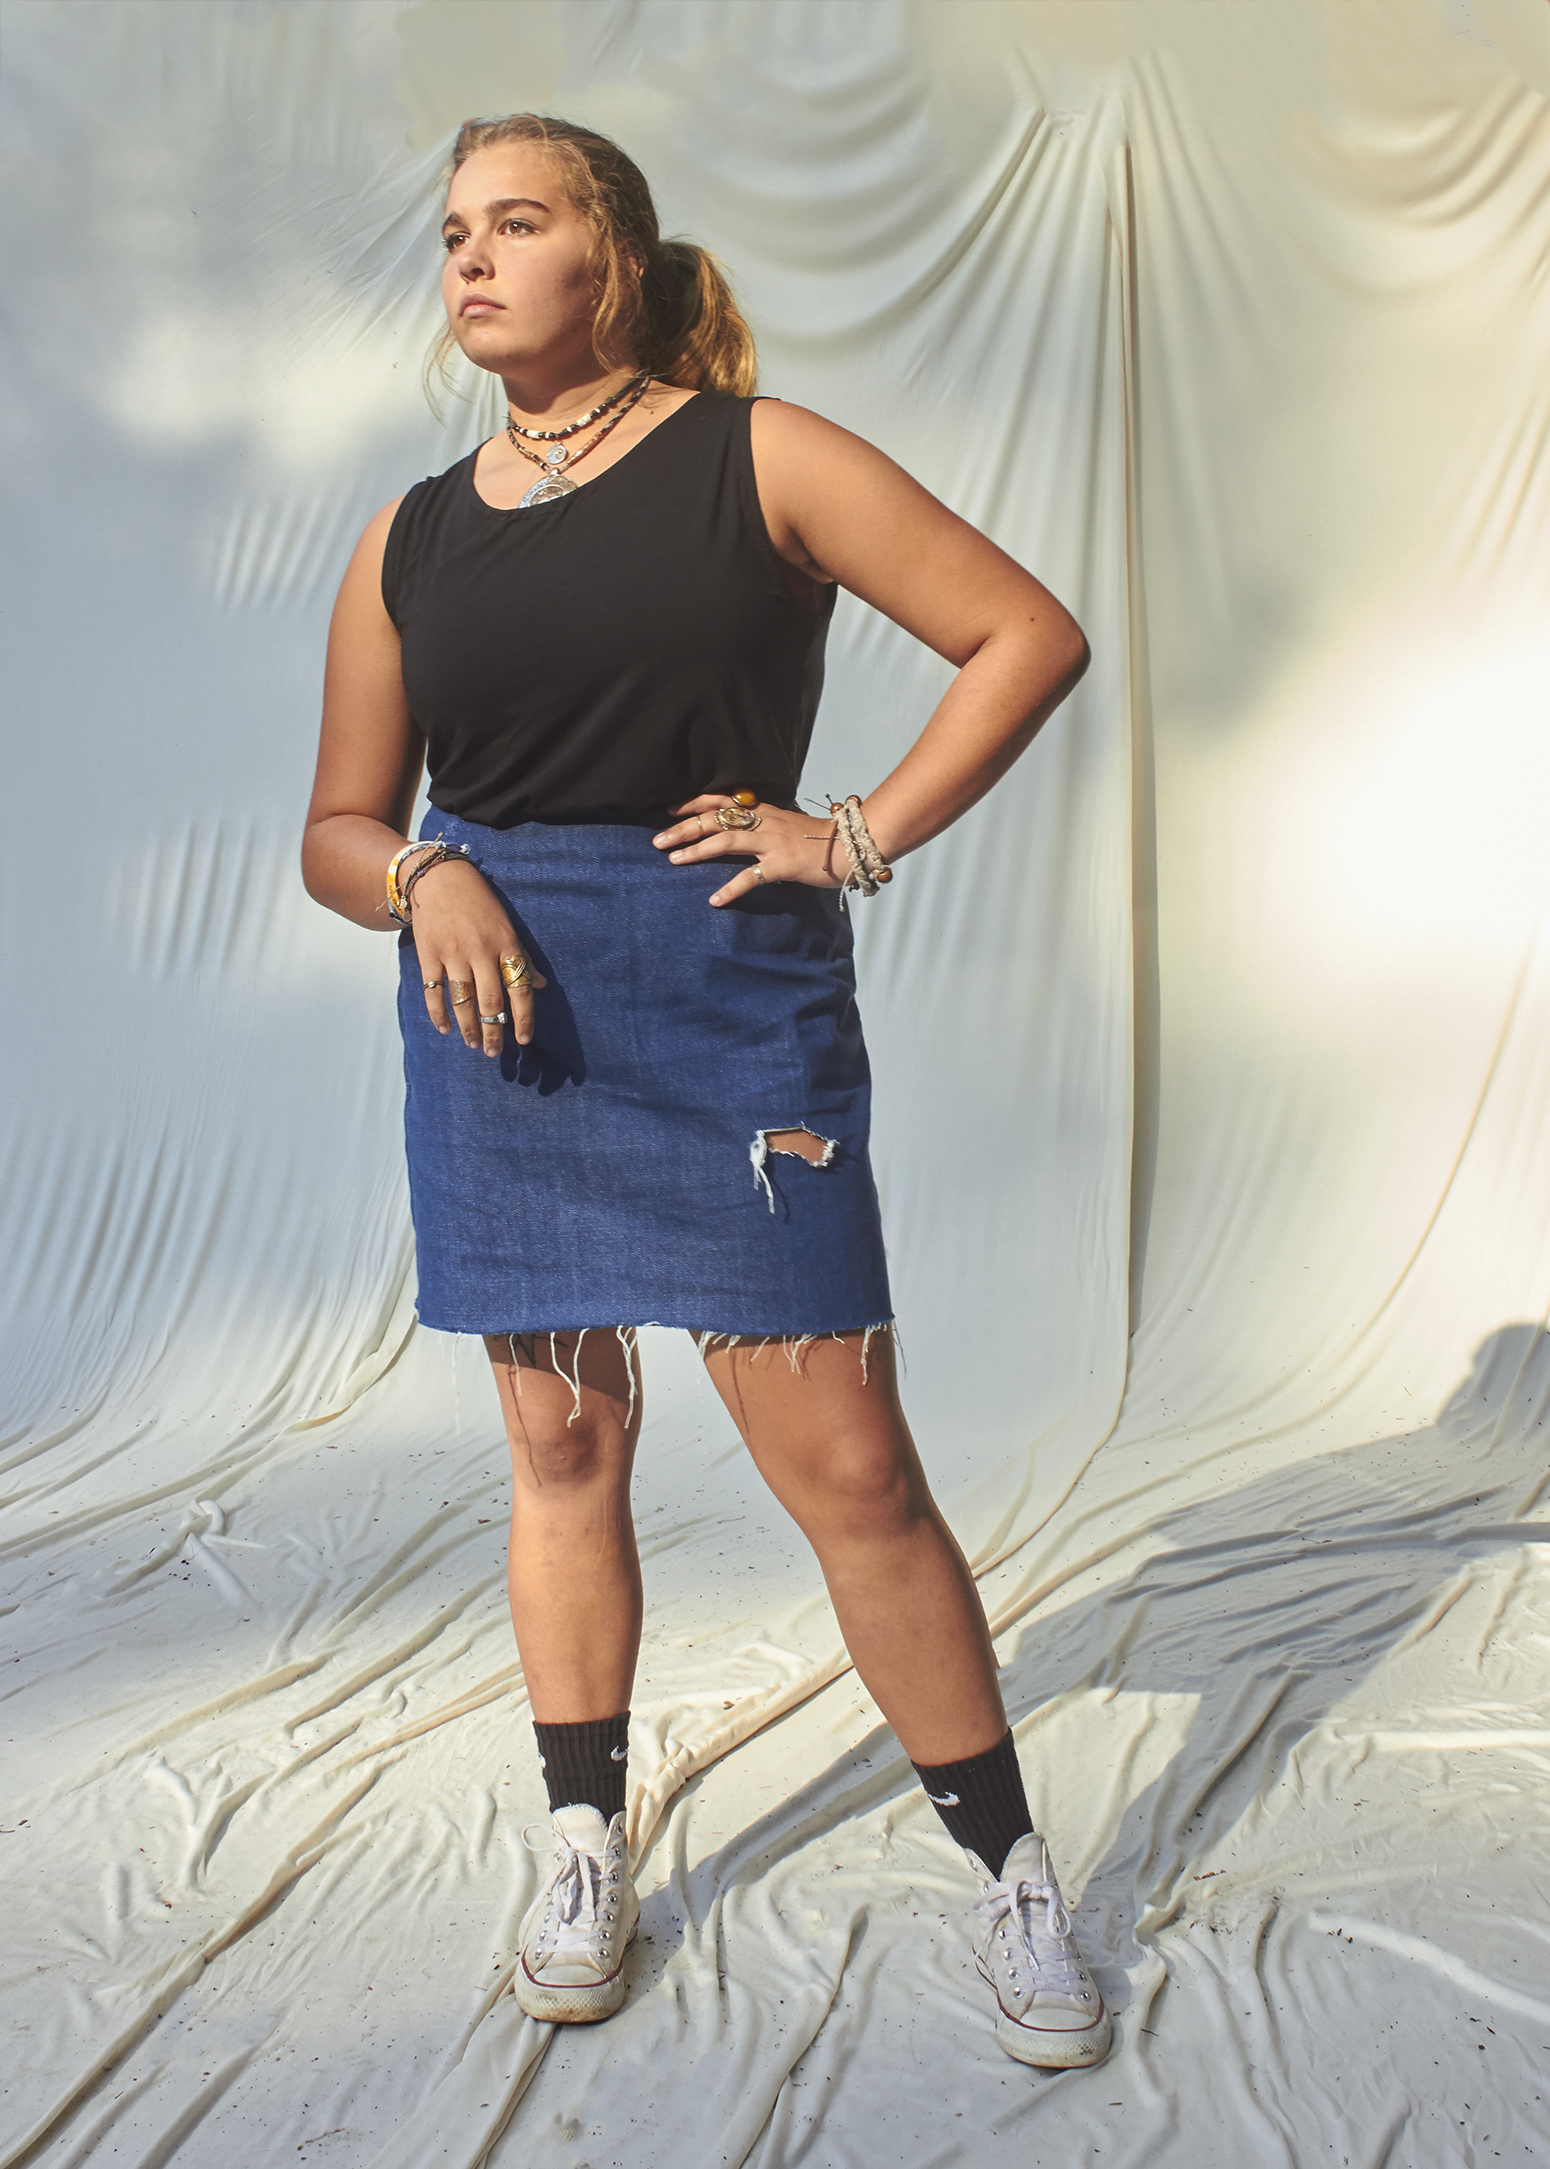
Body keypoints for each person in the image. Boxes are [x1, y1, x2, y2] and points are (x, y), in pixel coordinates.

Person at [301, 111, 1109, 2072]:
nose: (472, 260)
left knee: (850, 1471)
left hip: (729, 1004)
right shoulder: (409, 531)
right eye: (451, 234)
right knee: (563, 1450)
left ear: (621, 261)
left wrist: (854, 831)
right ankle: (585, 1825)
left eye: (520, 223)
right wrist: (431, 869)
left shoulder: (763, 456)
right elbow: (336, 827)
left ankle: (1007, 1865)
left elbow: (1028, 631)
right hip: (500, 1021)